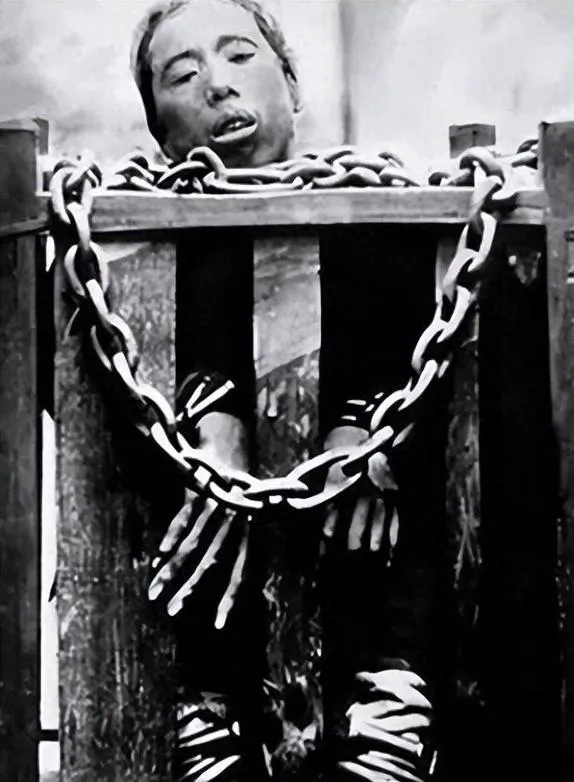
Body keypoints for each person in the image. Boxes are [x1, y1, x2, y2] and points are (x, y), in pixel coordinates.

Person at [130, 2, 445, 780]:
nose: (216, 84)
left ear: (293, 86)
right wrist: (211, 410)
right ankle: (204, 712)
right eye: (182, 74)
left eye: (239, 56)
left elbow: (437, 335)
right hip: (209, 627)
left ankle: (386, 707)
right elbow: (88, 356)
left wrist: (364, 426)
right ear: (160, 132)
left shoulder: (385, 220)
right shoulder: (130, 243)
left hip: (371, 597)